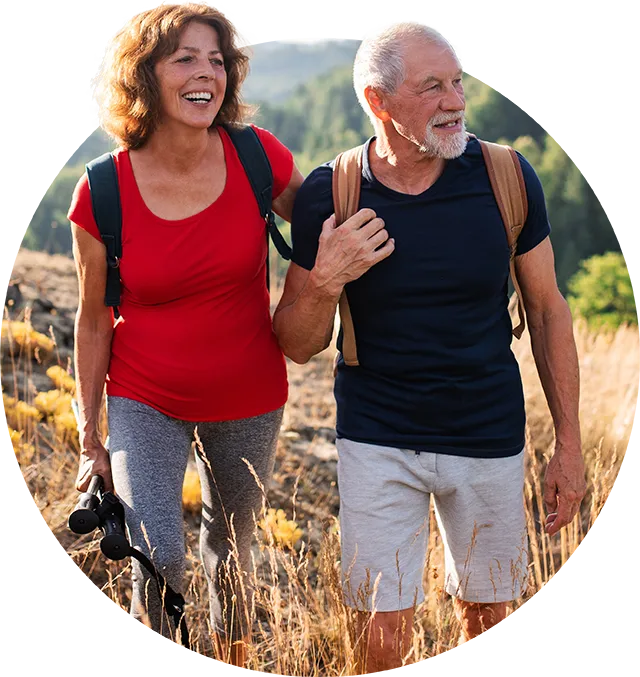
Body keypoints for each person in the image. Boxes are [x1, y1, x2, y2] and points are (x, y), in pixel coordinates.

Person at [273, 20, 587, 675]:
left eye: (458, 81)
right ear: (377, 101)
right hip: (378, 437)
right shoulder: (331, 194)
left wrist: (571, 442)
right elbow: (297, 345)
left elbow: (548, 308)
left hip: (489, 435)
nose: (457, 101)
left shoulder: (506, 176)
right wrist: (327, 275)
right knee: (383, 637)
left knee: (490, 625)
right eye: (433, 87)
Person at [68, 2, 303, 669]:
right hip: (146, 396)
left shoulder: (258, 157)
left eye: (217, 60)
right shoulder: (102, 192)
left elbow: (327, 223)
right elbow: (92, 318)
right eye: (185, 59)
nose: (208, 74)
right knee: (159, 550)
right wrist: (92, 435)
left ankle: (232, 662)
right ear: (145, 76)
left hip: (251, 394)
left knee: (232, 554)